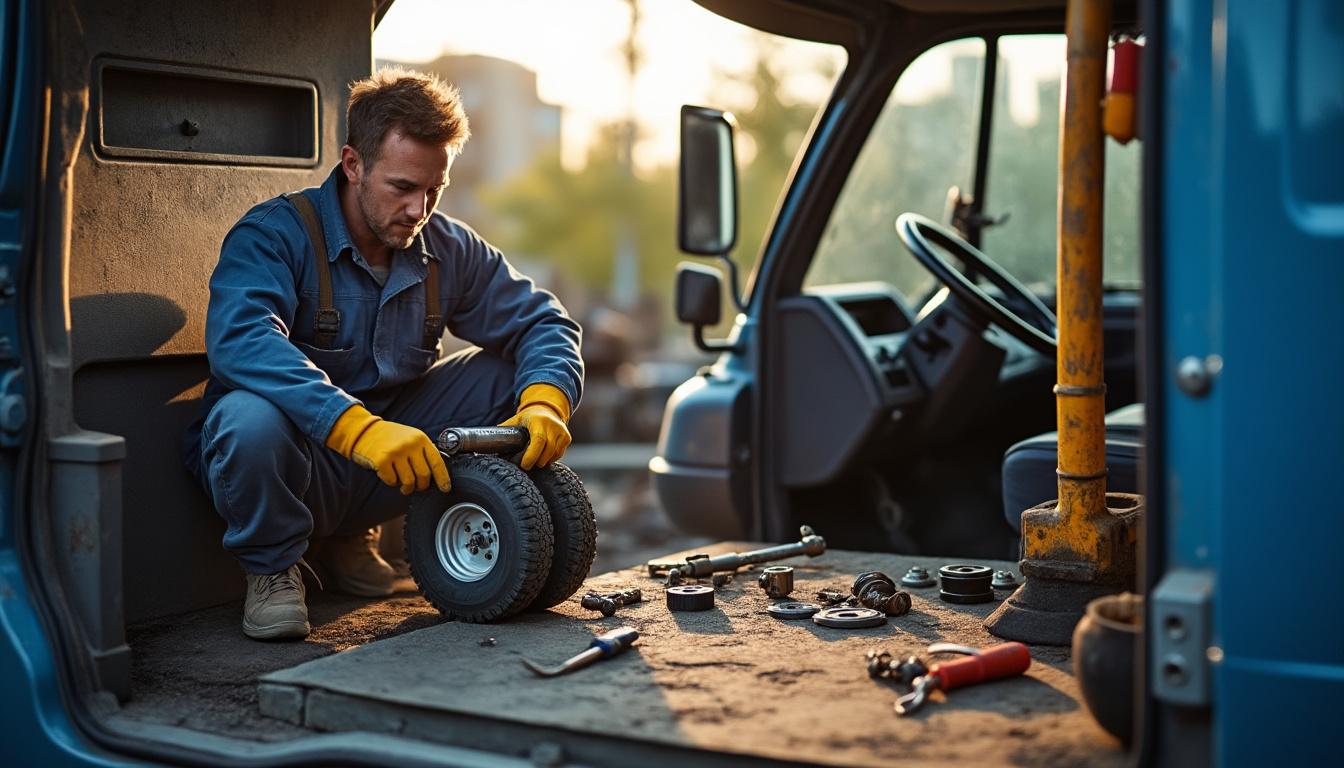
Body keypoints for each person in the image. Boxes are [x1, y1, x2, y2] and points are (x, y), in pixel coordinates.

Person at [182, 69, 584, 641]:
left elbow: (545, 321)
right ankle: (272, 567)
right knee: (248, 419)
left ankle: (353, 536)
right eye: (402, 187)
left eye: (433, 189)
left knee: (510, 373)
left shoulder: (447, 248)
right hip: (298, 461)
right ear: (353, 164)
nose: (419, 207)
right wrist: (355, 428)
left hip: (388, 465)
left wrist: (546, 403)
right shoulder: (273, 236)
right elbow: (243, 341)